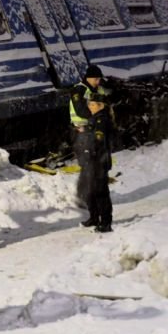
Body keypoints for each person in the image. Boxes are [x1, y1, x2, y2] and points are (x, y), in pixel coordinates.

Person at [70, 64, 113, 202]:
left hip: (94, 131)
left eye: (99, 79)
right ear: (88, 78)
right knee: (87, 166)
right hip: (82, 131)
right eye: (96, 79)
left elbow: (107, 100)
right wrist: (97, 118)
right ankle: (84, 197)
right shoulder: (79, 90)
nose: (98, 81)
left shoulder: (98, 88)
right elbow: (81, 110)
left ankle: (95, 195)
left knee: (101, 164)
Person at [77, 91, 114, 233]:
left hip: (99, 161)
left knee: (100, 192)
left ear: (101, 105)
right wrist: (85, 129)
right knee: (88, 190)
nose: (90, 107)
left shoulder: (102, 120)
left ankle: (105, 222)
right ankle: (94, 217)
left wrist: (88, 148)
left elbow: (99, 140)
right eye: (89, 104)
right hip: (91, 161)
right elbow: (93, 132)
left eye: (93, 104)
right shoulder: (95, 118)